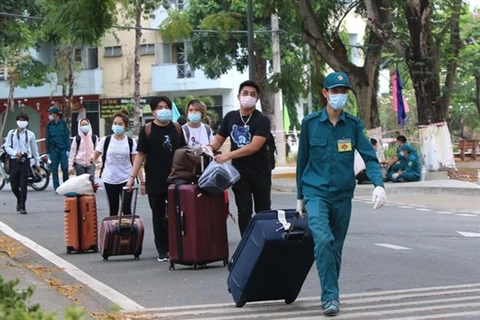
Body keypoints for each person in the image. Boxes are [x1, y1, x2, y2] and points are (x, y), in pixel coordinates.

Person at [296, 72, 387, 316]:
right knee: (323, 240)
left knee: (335, 247)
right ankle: (330, 298)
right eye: (334, 91)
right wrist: (299, 197)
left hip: (342, 195)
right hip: (315, 193)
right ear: (325, 93)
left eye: (343, 91)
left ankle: (331, 295)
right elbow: (302, 160)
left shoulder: (354, 125)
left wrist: (379, 185)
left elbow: (369, 157)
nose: (339, 96)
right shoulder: (310, 123)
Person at [207, 80, 272, 237]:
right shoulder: (230, 117)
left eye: (252, 94)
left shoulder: (262, 119)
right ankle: (247, 244)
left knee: (263, 209)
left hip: (260, 172)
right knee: (244, 210)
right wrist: (208, 148)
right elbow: (218, 140)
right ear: (238, 96)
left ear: (256, 99)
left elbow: (254, 146)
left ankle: (266, 242)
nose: (248, 97)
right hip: (238, 173)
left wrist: (227, 156)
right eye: (245, 93)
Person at [126, 96, 185, 262]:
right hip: (155, 179)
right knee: (158, 215)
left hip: (176, 179)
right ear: (153, 111)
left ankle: (177, 245)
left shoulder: (177, 128)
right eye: (160, 107)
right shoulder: (147, 130)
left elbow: (184, 152)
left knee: (176, 214)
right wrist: (133, 177)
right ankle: (162, 249)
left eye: (166, 106)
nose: (164, 110)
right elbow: (140, 155)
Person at [89, 111, 143, 216]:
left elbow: (136, 162)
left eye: (120, 124)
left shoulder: (130, 142)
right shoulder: (106, 140)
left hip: (127, 180)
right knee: (113, 210)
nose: (117, 126)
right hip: (110, 180)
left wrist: (142, 182)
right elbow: (96, 153)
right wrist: (92, 157)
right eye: (115, 123)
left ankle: (128, 231)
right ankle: (114, 232)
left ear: (125, 126)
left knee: (126, 210)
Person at [4, 113, 40, 214]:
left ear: (27, 122)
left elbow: (34, 150)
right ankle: (19, 200)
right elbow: (7, 147)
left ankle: (23, 206)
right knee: (14, 185)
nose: (22, 122)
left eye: (24, 120)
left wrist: (37, 163)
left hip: (25, 162)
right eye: (20, 120)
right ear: (17, 121)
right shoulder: (11, 133)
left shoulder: (30, 135)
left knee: (23, 184)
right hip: (14, 161)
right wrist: (15, 153)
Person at [45, 106, 70, 191]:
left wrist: (68, 149)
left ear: (56, 114)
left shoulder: (63, 124)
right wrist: (47, 152)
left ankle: (66, 186)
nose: (50, 115)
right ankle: (57, 187)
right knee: (54, 169)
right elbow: (47, 138)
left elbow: (67, 137)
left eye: (51, 113)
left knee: (65, 167)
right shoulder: (48, 126)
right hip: (53, 150)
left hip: (63, 149)